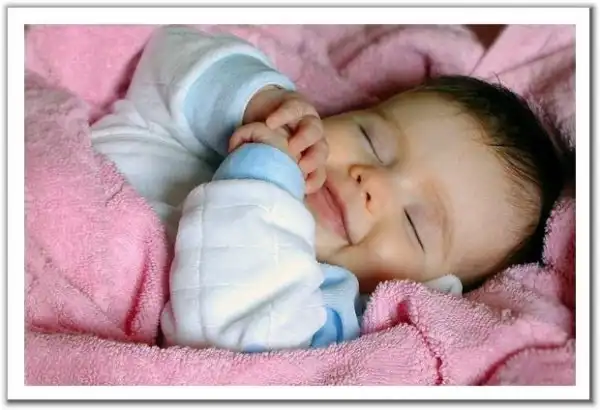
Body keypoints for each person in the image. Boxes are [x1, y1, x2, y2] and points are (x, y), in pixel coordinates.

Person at [90, 26, 566, 352]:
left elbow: (236, 345)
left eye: (413, 222)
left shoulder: (323, 315)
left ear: (428, 291)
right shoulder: (217, 132)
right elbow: (168, 54)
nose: (372, 182)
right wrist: (256, 98)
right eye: (372, 140)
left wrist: (262, 180)